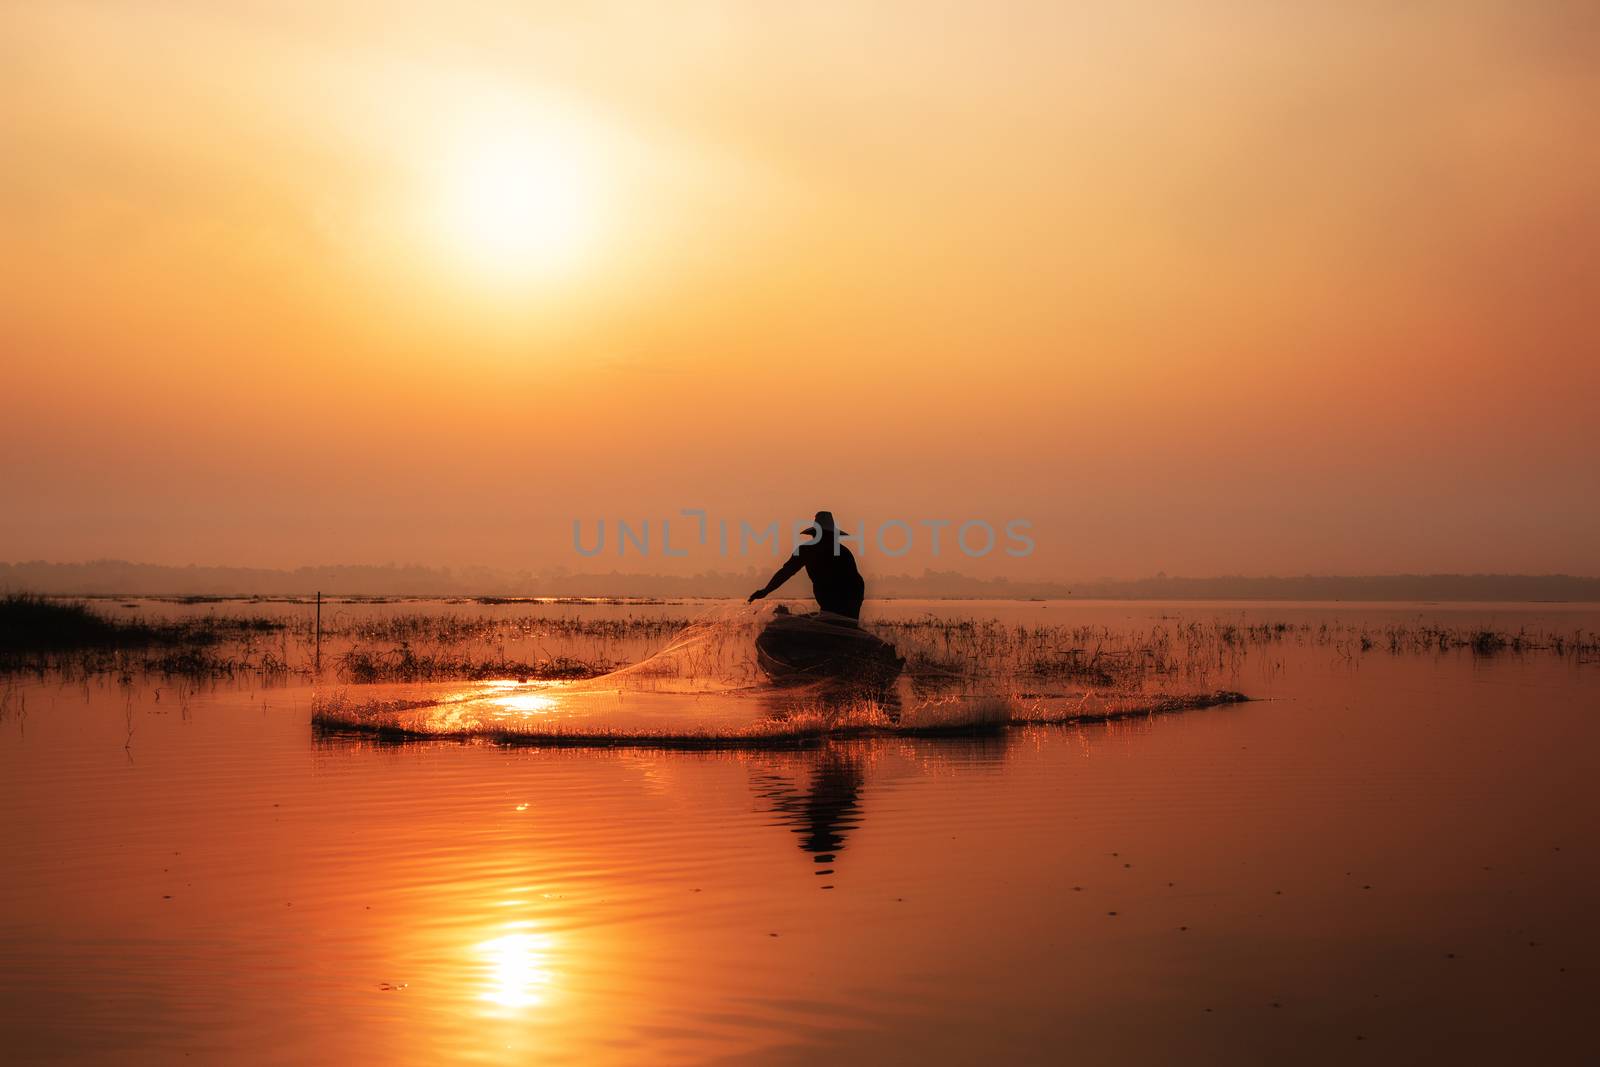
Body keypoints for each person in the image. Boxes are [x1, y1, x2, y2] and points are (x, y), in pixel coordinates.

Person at [747, 511, 866, 619]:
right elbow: (786, 572)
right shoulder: (808, 550)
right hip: (833, 605)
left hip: (848, 602)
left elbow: (855, 584)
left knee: (837, 622)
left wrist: (766, 591)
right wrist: (765, 590)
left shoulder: (841, 553)